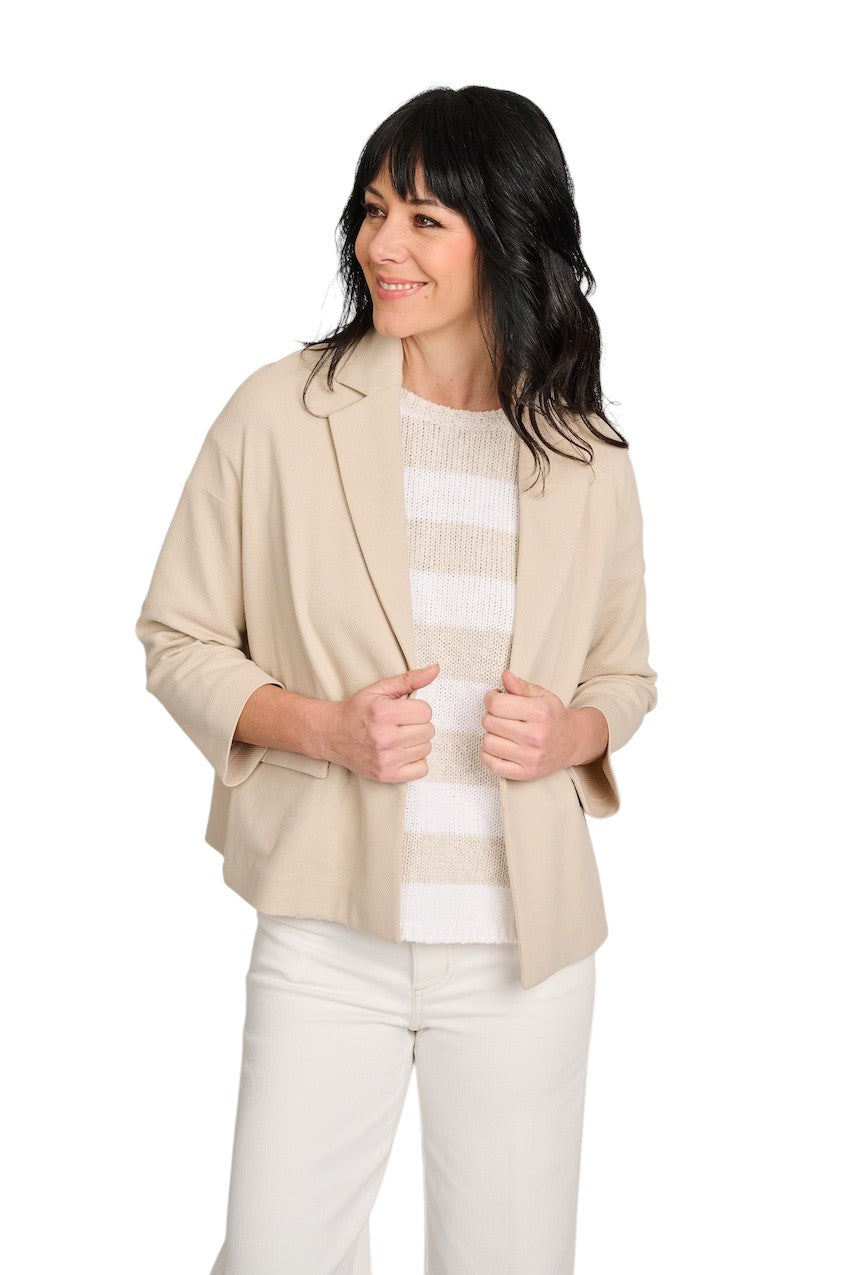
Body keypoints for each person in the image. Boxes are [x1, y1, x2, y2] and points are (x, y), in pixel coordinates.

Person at [135, 84, 658, 1275]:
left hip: (526, 952)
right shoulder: (282, 412)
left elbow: (625, 672)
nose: (383, 244)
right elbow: (178, 635)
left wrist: (574, 732)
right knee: (276, 1256)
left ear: (507, 234)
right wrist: (321, 729)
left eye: (426, 219)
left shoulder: (586, 452)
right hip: (329, 932)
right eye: (375, 210)